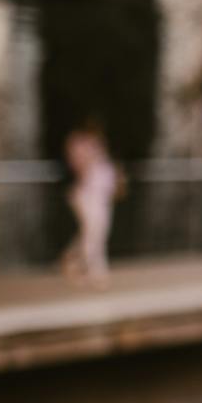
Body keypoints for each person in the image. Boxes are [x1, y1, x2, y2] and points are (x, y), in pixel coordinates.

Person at [61, 118, 118, 287]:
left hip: (101, 196)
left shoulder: (99, 147)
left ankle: (73, 260)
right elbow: (78, 166)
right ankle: (94, 271)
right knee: (92, 232)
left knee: (96, 232)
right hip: (87, 195)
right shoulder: (79, 143)